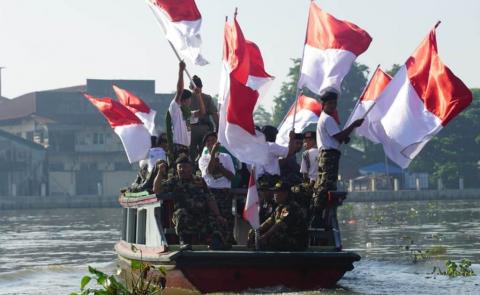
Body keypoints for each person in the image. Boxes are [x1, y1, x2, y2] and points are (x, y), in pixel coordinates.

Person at [153, 155, 228, 249]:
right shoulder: (174, 181)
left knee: (216, 220)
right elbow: (156, 189)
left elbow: (210, 198)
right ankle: (184, 242)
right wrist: (160, 172)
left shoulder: (199, 181)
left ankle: (217, 244)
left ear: (191, 168)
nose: (181, 170)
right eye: (179, 167)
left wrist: (218, 215)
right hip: (186, 215)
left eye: (184, 167)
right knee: (181, 214)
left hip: (201, 215)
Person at [311, 91, 363, 224]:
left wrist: (344, 137)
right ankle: (318, 214)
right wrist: (353, 125)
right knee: (326, 186)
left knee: (325, 185)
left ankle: (320, 213)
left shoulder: (325, 118)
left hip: (327, 154)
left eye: (335, 103)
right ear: (324, 104)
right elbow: (338, 137)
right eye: (330, 103)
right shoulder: (327, 119)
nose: (333, 106)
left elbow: (338, 138)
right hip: (329, 156)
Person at [198, 132, 236, 244]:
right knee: (213, 218)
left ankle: (228, 242)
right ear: (205, 145)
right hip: (211, 193)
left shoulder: (226, 157)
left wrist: (219, 167)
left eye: (213, 140)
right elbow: (209, 171)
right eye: (208, 141)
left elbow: (231, 176)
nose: (211, 143)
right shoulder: (203, 159)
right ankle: (214, 243)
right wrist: (213, 153)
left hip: (225, 192)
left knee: (227, 218)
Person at [247, 181, 308, 251]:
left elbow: (278, 225)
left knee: (272, 237)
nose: (274, 194)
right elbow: (269, 221)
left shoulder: (291, 207)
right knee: (257, 235)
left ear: (285, 193)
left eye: (277, 192)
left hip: (296, 242)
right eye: (274, 192)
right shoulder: (279, 207)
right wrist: (256, 231)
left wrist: (264, 236)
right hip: (287, 239)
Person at [166, 61, 206, 163]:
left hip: (186, 148)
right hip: (177, 147)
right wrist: (181, 71)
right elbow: (179, 91)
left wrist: (199, 95)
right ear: (183, 100)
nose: (190, 100)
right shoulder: (176, 109)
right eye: (189, 98)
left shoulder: (187, 114)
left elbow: (202, 112)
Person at [189, 75, 219, 161]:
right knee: (205, 153)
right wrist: (217, 130)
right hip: (203, 129)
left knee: (194, 153)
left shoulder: (188, 98)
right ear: (201, 86)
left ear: (190, 86)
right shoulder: (207, 98)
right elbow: (215, 116)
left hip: (193, 129)